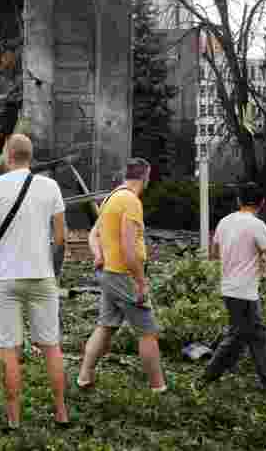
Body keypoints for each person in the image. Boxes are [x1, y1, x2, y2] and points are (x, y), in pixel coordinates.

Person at [0, 134, 69, 430]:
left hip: (5, 279)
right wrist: (53, 272)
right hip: (42, 277)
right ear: (30, 156)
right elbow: (61, 239)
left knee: (9, 350)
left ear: (7, 155)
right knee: (51, 346)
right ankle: (61, 413)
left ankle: (14, 420)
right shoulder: (50, 186)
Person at [77, 157, 167, 393]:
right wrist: (140, 281)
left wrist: (98, 254)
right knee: (147, 332)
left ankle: (85, 376)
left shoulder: (111, 197)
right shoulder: (130, 201)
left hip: (108, 273)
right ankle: (159, 388)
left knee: (106, 325)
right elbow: (129, 249)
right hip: (123, 275)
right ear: (146, 177)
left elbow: (93, 234)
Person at [198, 182, 266, 396]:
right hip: (244, 291)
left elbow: (214, 254)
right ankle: (206, 378)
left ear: (238, 200)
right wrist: (261, 256)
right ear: (262, 203)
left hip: (229, 288)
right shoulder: (256, 225)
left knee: (245, 336)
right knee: (246, 336)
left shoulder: (225, 222)